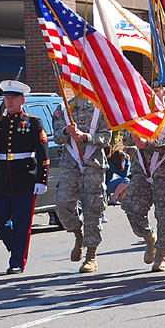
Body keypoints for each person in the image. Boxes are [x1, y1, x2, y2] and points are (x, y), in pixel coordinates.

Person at [0, 80, 49, 274]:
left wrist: (42, 179)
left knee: (22, 223)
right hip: (2, 178)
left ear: (22, 100)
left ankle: (16, 261)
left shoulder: (33, 122)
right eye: (7, 98)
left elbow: (43, 153)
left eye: (13, 98)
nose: (9, 102)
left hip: (24, 178)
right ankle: (16, 246)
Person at [121, 82, 165, 272]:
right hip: (141, 169)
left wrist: (148, 143)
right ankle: (149, 236)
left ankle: (162, 254)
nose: (154, 95)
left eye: (157, 91)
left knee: (164, 212)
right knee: (131, 207)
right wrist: (133, 136)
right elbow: (124, 138)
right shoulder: (140, 116)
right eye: (151, 91)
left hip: (163, 170)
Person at [52, 95, 112, 273]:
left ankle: (91, 255)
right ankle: (78, 232)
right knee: (62, 204)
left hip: (93, 164)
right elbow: (55, 137)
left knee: (93, 209)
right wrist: (65, 131)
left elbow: (106, 137)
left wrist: (86, 137)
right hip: (70, 164)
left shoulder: (100, 108)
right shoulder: (63, 109)